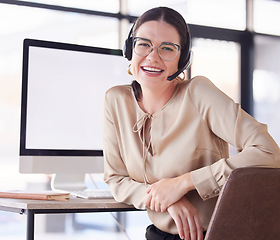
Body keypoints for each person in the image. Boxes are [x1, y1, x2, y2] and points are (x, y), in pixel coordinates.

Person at [102, 6, 280, 240]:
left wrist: (183, 183)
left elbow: (269, 153)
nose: (153, 56)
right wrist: (164, 200)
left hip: (218, 234)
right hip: (160, 233)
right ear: (130, 49)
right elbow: (116, 178)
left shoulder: (198, 93)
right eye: (143, 43)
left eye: (167, 48)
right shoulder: (116, 100)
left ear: (182, 59)